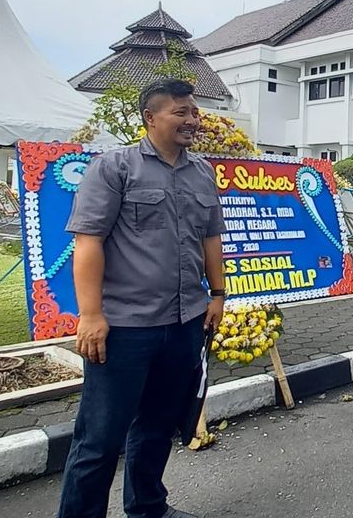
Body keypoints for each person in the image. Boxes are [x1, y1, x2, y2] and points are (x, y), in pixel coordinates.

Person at [57, 78, 227, 518]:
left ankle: (148, 507)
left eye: (194, 112)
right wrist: (90, 314)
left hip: (185, 322)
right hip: (126, 328)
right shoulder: (115, 167)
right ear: (150, 118)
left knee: (156, 428)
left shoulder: (202, 172)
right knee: (99, 439)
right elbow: (88, 242)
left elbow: (210, 239)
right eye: (181, 112)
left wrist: (218, 294)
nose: (192, 120)